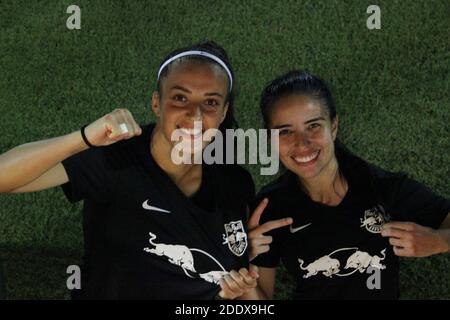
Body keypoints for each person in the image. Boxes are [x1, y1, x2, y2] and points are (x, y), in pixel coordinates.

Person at [0, 42, 263, 299]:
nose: (194, 115)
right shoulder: (115, 157)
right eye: (180, 97)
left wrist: (235, 286)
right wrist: (84, 139)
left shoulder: (235, 183)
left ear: (223, 112)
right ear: (156, 103)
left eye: (210, 102)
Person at [243, 70, 450, 299]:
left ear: (333, 125)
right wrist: (245, 267)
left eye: (313, 126)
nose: (302, 144)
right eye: (285, 131)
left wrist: (438, 240)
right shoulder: (269, 207)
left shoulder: (382, 187)